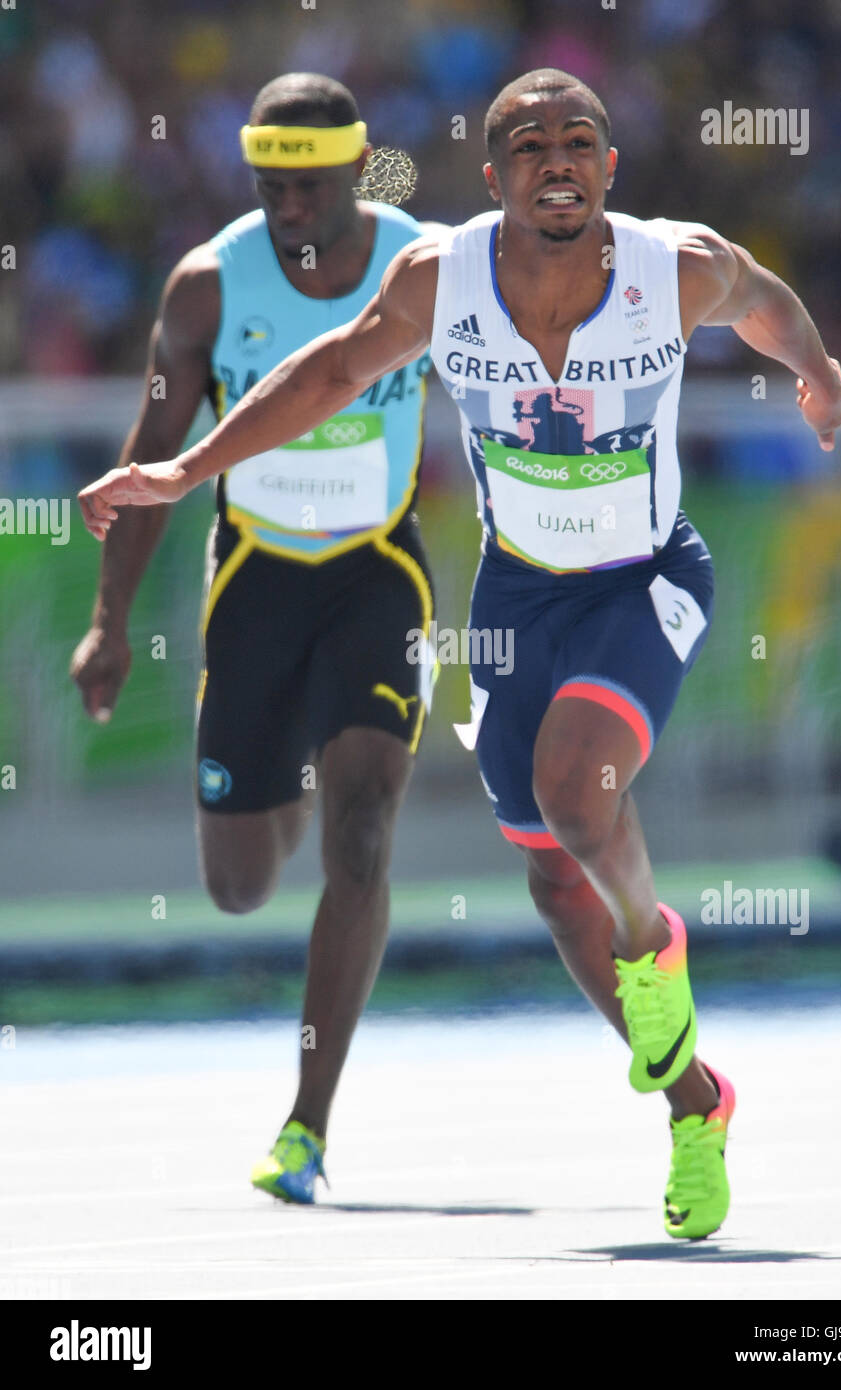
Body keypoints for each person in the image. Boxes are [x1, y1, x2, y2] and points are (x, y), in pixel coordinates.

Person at [78, 68, 841, 1239]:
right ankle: (695, 1103)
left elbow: (767, 303)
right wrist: (188, 472)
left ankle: (658, 958)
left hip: (644, 581)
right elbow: (330, 371)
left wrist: (818, 369)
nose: (555, 159)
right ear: (489, 180)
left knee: (575, 797)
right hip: (514, 598)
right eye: (528, 145)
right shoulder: (439, 283)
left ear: (607, 167)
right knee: (548, 876)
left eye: (577, 140)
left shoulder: (674, 266)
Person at [70, 72, 443, 1205]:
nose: (285, 201)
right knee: (236, 886)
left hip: (378, 571)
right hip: (255, 580)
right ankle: (282, 757)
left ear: (354, 169)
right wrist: (106, 624)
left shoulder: (424, 269)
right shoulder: (204, 291)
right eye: (267, 181)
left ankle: (304, 1128)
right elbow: (152, 458)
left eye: (306, 181)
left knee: (364, 829)